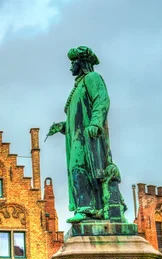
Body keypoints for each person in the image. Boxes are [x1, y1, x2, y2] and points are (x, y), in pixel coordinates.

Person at [47, 46, 126, 223]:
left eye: (73, 63)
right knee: (77, 168)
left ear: (81, 63)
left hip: (88, 138)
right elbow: (78, 116)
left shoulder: (92, 78)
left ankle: (88, 208)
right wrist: (63, 126)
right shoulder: (79, 85)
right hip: (77, 137)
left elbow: (101, 100)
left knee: (80, 167)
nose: (70, 68)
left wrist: (95, 123)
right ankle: (87, 208)